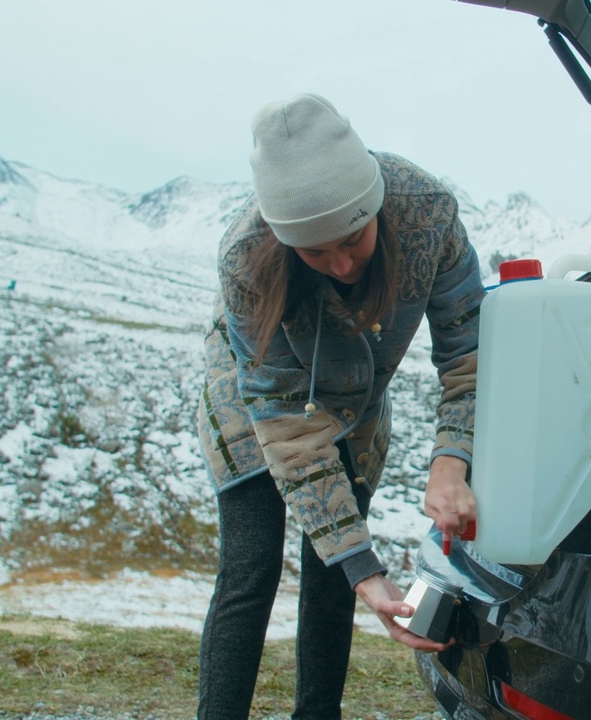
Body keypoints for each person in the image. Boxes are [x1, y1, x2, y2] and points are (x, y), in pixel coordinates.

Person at [194, 92, 482, 719]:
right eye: (316, 251)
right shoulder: (245, 258)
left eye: (353, 238)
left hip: (358, 398)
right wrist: (361, 563)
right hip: (256, 404)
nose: (342, 264)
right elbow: (284, 421)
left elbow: (470, 353)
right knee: (251, 570)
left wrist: (451, 459)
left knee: (334, 578)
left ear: (375, 204)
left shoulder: (428, 214)